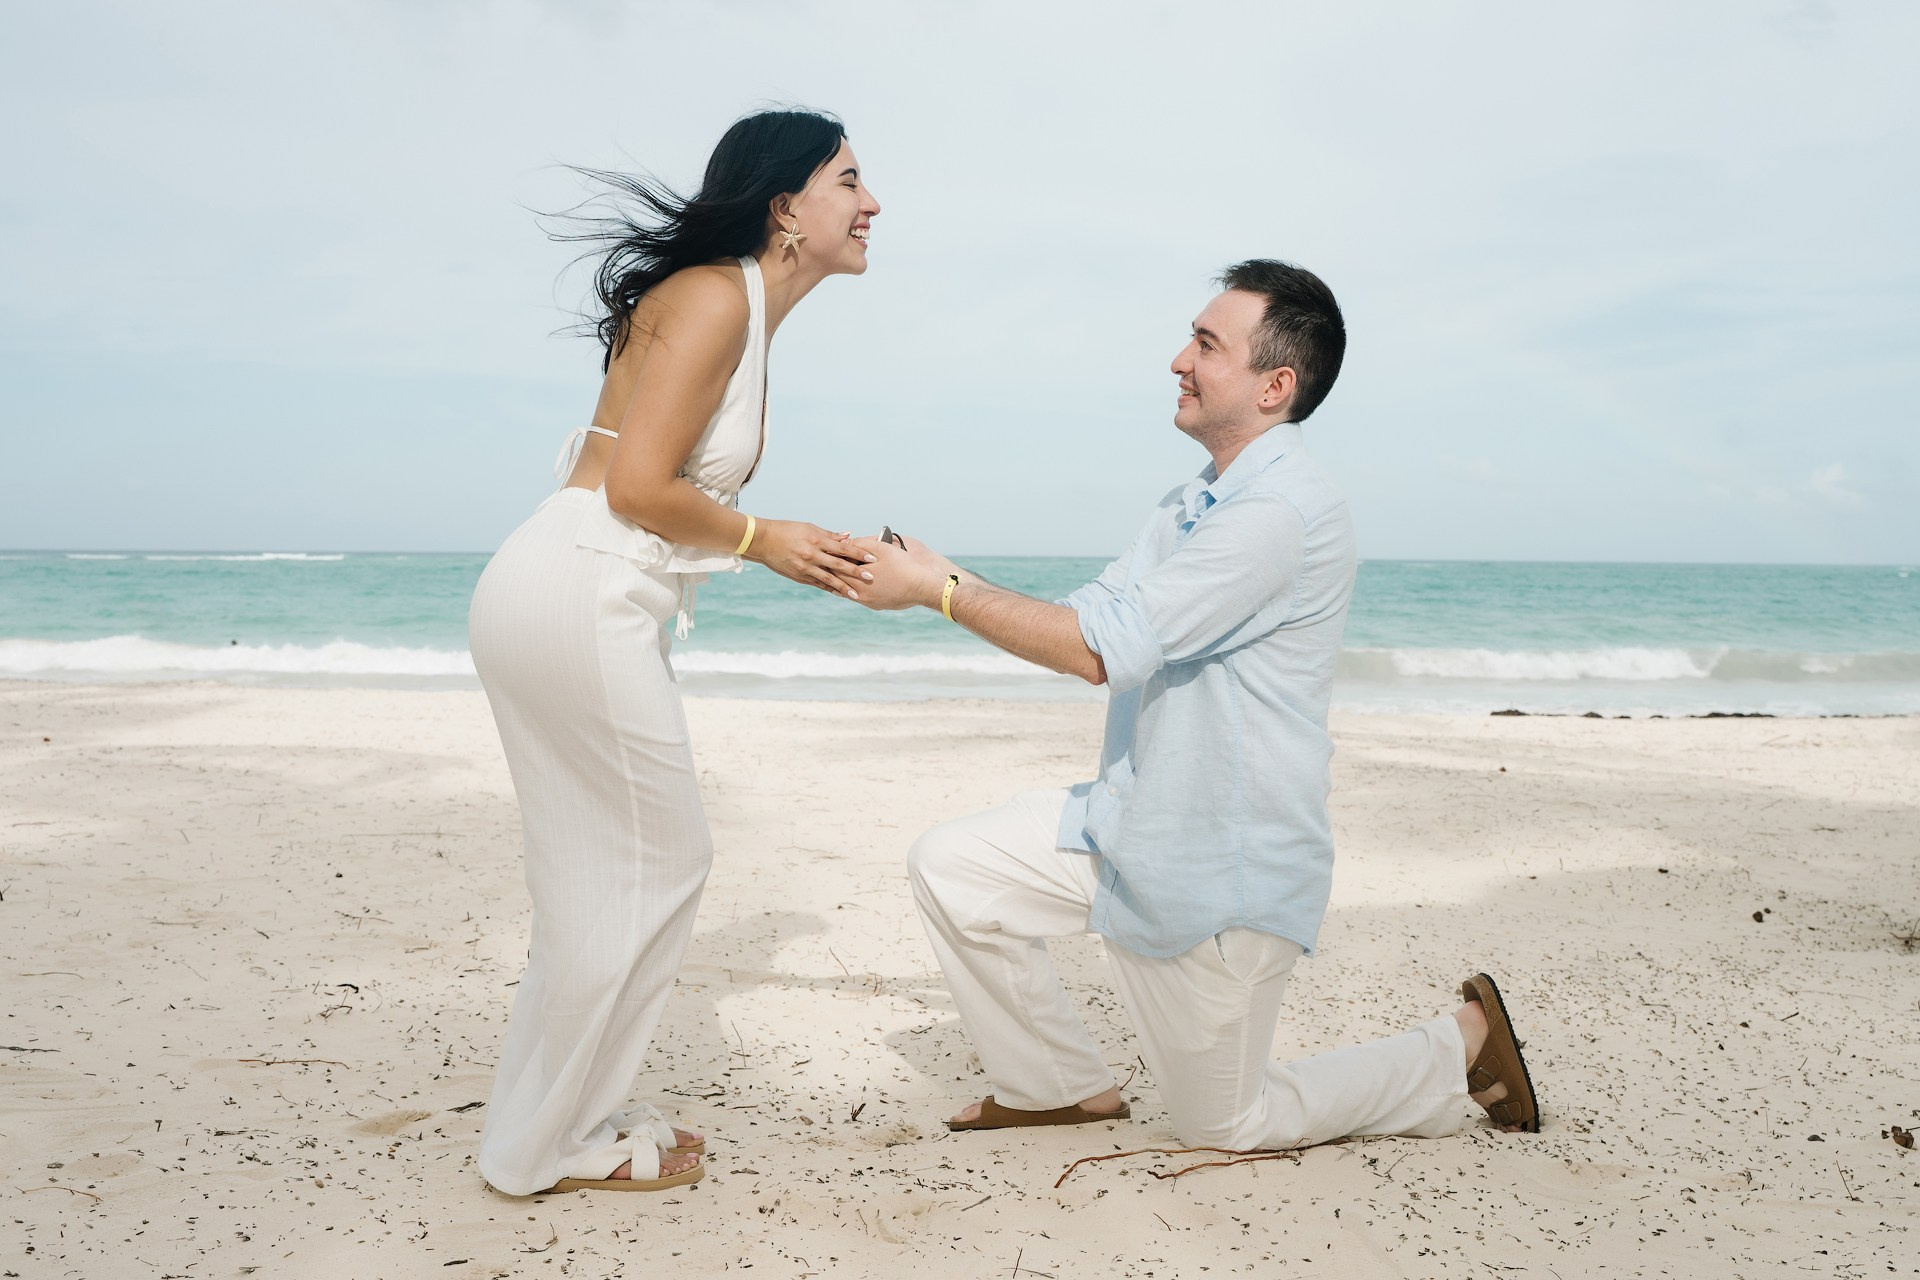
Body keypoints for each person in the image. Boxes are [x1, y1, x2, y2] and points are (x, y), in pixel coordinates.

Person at [849, 260, 1539, 1151]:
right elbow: (1093, 616)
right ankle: (1057, 1085)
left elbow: (1099, 652)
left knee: (1227, 1127)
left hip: (1218, 881)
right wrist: (938, 571)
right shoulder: (1191, 504)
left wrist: (937, 590)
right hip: (1130, 831)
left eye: (1208, 345)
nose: (1180, 358)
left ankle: (1461, 1043)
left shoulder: (1277, 515)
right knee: (954, 864)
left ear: (1274, 386)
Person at [467, 109, 879, 1196]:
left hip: (571, 584)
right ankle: (547, 1143)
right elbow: (641, 488)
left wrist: (763, 536)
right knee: (662, 864)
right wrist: (766, 538)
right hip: (580, 584)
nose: (871, 202)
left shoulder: (730, 303)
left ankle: (548, 1123)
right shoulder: (711, 298)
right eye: (849, 180)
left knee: (595, 879)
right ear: (787, 207)